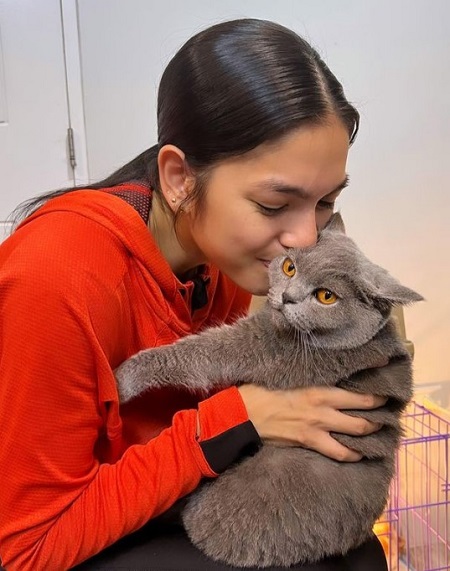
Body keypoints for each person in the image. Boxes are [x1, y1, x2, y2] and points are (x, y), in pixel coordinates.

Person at [0, 18, 389, 571]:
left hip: (152, 495)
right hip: (55, 538)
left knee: (355, 551)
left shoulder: (224, 261)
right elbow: (23, 548)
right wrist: (235, 419)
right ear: (180, 178)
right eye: (275, 206)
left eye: (325, 202)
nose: (305, 238)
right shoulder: (56, 277)